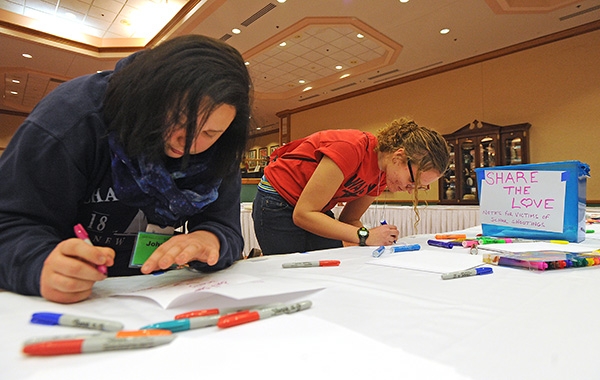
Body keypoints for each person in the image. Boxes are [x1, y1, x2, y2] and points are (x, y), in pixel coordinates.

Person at [0, 35, 253, 304]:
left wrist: (210, 239)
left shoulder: (222, 146)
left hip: (155, 294)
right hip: (65, 299)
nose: (188, 143)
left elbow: (224, 226)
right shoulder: (72, 118)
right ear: (149, 96)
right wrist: (39, 263)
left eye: (209, 132)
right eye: (179, 121)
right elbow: (10, 221)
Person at [252, 118, 450, 255]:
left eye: (418, 188)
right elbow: (303, 214)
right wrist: (365, 236)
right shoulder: (351, 148)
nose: (409, 189)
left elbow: (350, 218)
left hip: (314, 208)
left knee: (330, 264)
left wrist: (377, 239)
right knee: (290, 271)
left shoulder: (382, 177)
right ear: (399, 157)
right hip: (277, 200)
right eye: (412, 181)